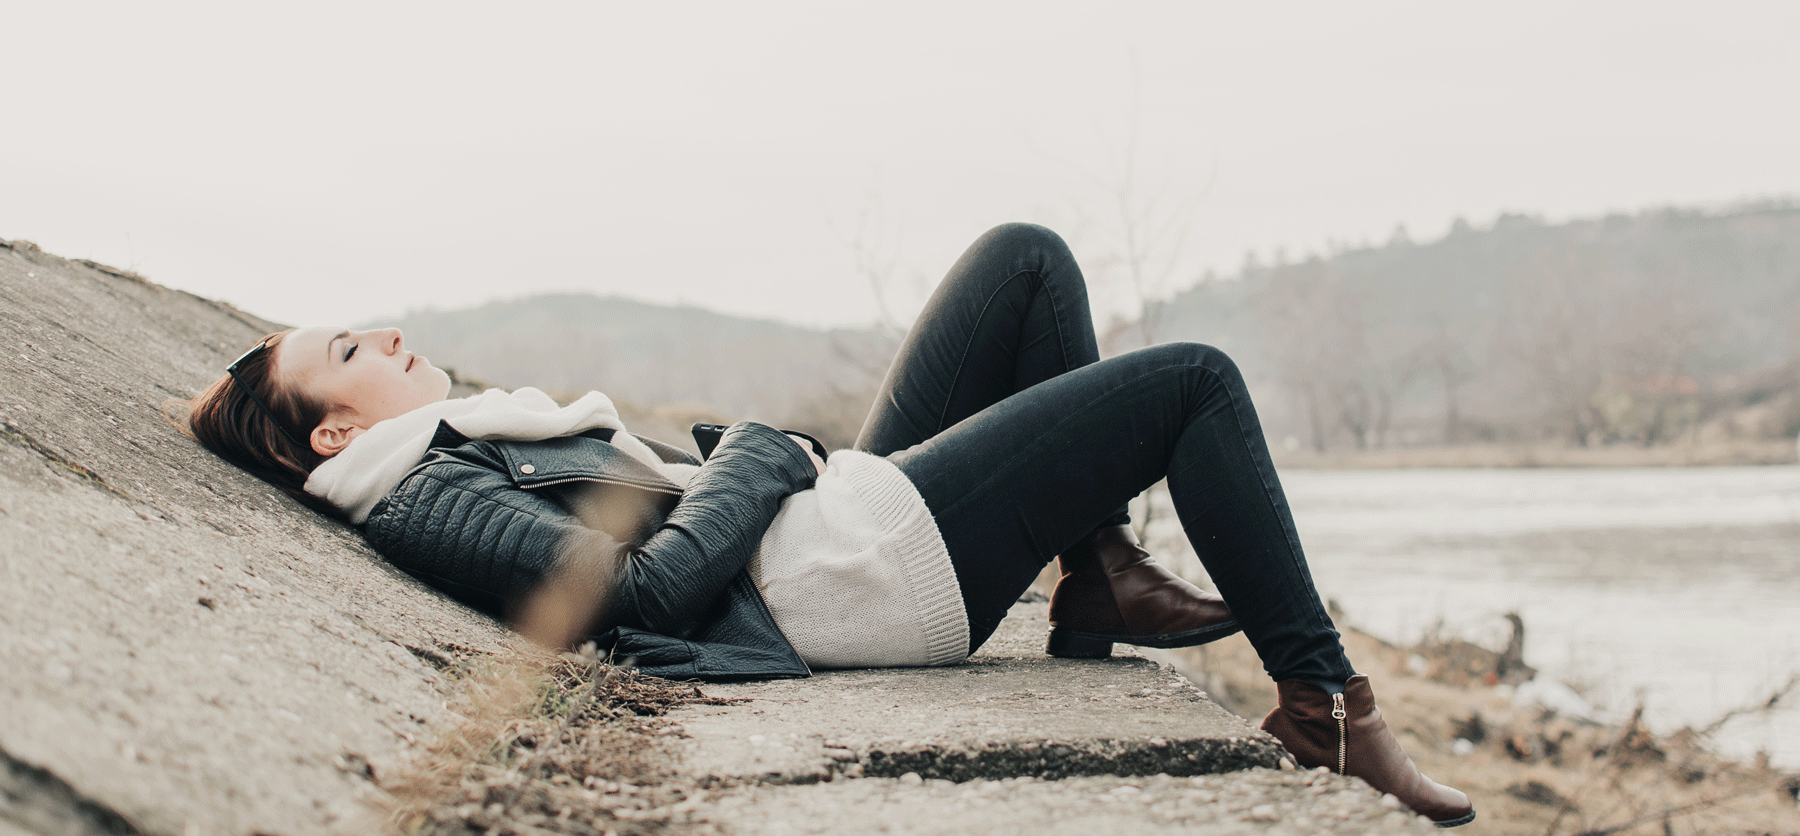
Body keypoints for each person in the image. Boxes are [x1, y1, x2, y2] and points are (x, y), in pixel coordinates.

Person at [179, 223, 1473, 827]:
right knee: (1195, 381)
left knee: (1027, 261)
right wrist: (754, 450)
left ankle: (1100, 572)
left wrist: (757, 467)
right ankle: (1330, 710)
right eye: (351, 347)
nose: (391, 335)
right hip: (856, 574)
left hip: (825, 522)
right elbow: (635, 601)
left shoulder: (461, 443)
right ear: (335, 435)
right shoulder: (421, 492)